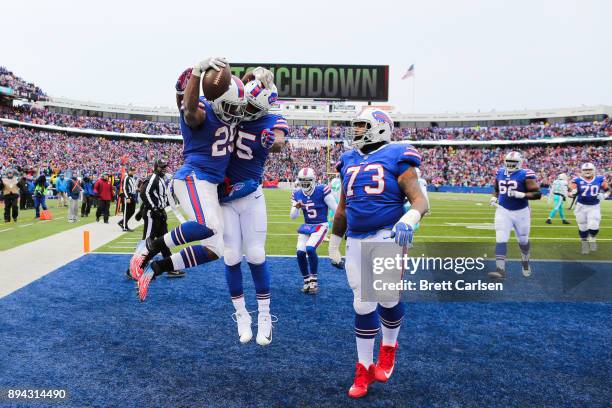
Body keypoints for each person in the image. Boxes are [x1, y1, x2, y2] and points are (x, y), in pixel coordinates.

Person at [329, 108, 428, 398]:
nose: (355, 131)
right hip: (356, 239)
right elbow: (343, 208)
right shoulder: (347, 160)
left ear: (379, 128)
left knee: (385, 298)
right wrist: (335, 242)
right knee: (362, 303)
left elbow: (420, 200)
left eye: (361, 126)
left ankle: (388, 345)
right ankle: (364, 367)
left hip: (387, 234)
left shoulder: (397, 153)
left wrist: (408, 220)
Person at [130, 57, 247, 302]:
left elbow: (236, 94)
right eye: (231, 107)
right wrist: (197, 72)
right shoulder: (201, 111)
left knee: (215, 249)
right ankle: (148, 248)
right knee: (208, 225)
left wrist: (252, 80)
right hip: (194, 177)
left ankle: (156, 269)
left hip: (209, 184)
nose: (236, 112)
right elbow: (191, 111)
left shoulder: (227, 105)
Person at [221, 68, 287, 345]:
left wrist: (271, 143)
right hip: (224, 197)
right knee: (231, 256)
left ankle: (264, 315)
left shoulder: (273, 117)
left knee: (256, 254)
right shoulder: (230, 109)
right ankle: (241, 315)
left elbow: (280, 142)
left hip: (250, 194)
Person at [126, 159, 185, 279]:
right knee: (146, 242)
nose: (163, 168)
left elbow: (156, 196)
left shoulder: (160, 179)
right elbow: (144, 193)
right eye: (161, 167)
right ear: (156, 167)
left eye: (165, 166)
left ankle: (170, 267)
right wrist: (154, 208)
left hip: (160, 214)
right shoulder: (153, 178)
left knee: (164, 242)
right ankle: (133, 269)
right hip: (153, 215)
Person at [489, 151, 541, 279]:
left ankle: (525, 261)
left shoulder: (526, 174)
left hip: (521, 212)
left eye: (513, 163)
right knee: (500, 238)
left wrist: (521, 194)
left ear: (519, 163)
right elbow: (496, 189)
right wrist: (494, 198)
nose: (510, 165)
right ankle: (500, 269)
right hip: (503, 210)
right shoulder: (500, 172)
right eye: (509, 162)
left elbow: (537, 194)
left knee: (523, 240)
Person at [290, 168, 337, 294]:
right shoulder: (297, 193)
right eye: (302, 181)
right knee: (300, 252)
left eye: (307, 180)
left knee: (310, 248)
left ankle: (314, 281)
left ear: (313, 180)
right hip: (307, 226)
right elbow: (293, 216)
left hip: (321, 225)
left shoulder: (322, 190)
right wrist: (296, 207)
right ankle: (306, 281)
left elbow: (335, 208)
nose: (305, 183)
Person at [569, 163, 609, 254]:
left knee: (594, 225)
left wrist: (605, 195)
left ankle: (593, 238)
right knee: (582, 226)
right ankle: (584, 243)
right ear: (582, 171)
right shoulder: (577, 180)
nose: (588, 172)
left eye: (590, 170)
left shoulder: (600, 178)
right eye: (585, 170)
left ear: (593, 170)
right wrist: (572, 193)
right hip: (581, 206)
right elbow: (570, 193)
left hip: (594, 206)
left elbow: (608, 189)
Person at [119, 166, 137, 231]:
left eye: (133, 170)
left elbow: (132, 187)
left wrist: (136, 189)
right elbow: (124, 188)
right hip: (127, 196)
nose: (132, 171)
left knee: (132, 211)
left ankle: (122, 222)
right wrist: (127, 197)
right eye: (131, 170)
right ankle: (124, 227)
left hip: (132, 195)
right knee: (126, 211)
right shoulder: (126, 178)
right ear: (129, 171)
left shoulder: (132, 178)